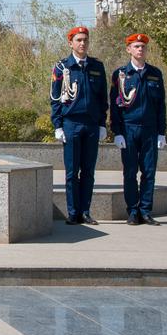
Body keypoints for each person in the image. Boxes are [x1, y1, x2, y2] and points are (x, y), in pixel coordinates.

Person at [50, 26, 108, 225]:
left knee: (89, 172)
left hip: (91, 124)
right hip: (71, 123)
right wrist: (58, 126)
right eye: (79, 40)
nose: (83, 43)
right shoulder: (62, 67)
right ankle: (73, 212)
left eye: (85, 40)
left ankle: (85, 212)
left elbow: (102, 99)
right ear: (71, 43)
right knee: (72, 172)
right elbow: (55, 99)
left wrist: (102, 124)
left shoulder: (96, 67)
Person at [110, 32, 166, 226]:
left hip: (150, 130)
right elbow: (115, 105)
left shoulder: (155, 73)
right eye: (136, 46)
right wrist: (117, 132)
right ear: (129, 49)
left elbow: (161, 105)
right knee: (130, 172)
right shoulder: (120, 74)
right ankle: (133, 211)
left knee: (149, 172)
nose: (140, 49)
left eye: (143, 46)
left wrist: (161, 132)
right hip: (129, 129)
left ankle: (146, 211)